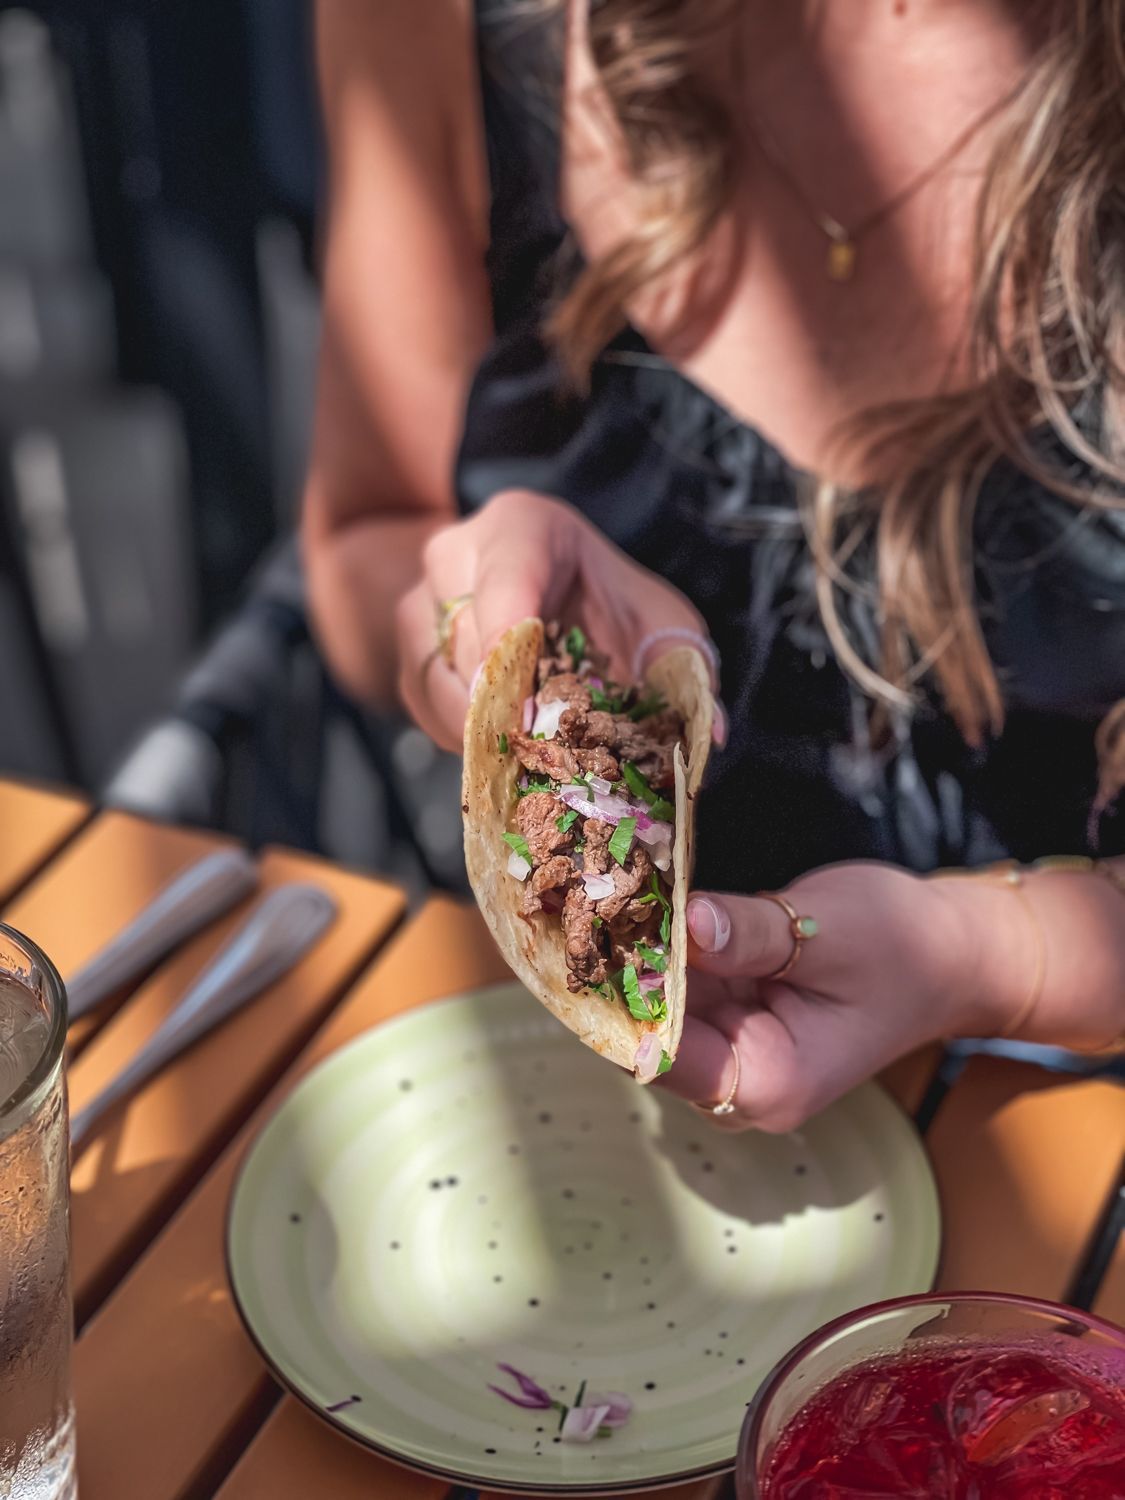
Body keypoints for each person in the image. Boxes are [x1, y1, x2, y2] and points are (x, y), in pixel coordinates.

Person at [302, 0, 1125, 1130]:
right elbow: (366, 531)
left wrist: (993, 955)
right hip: (552, 1104)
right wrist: (460, 634)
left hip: (1047, 1118)